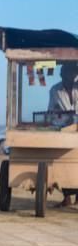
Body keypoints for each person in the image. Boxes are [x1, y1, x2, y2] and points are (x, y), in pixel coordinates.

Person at [49, 62, 78, 207]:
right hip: (64, 129)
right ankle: (66, 197)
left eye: (73, 73)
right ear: (61, 74)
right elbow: (51, 112)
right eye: (67, 73)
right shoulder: (55, 90)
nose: (70, 76)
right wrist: (59, 119)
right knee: (62, 160)